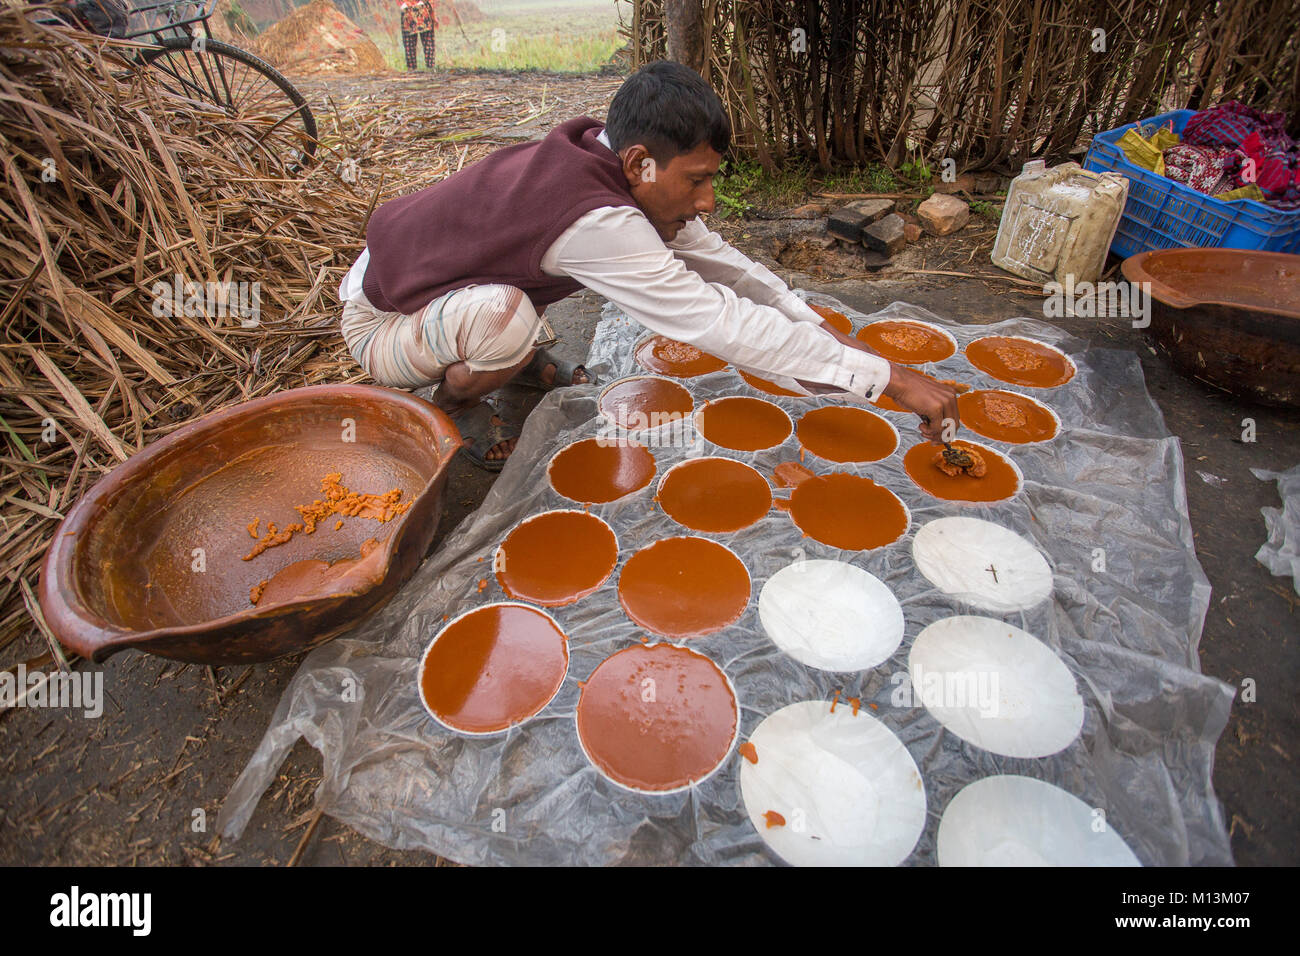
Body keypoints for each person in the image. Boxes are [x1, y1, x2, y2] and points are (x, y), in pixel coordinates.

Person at [338, 60, 959, 470]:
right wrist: (893, 380)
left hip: (430, 285)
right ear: (641, 163)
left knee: (511, 314)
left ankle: (514, 359)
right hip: (382, 317)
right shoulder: (597, 221)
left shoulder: (606, 159)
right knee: (508, 318)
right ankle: (455, 403)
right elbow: (719, 321)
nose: (708, 201)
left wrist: (823, 332)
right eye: (698, 181)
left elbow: (725, 266)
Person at [398, 0, 436, 72]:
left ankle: (415, 68)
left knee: (411, 43)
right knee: (427, 42)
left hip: (419, 8)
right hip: (416, 8)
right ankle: (429, 68)